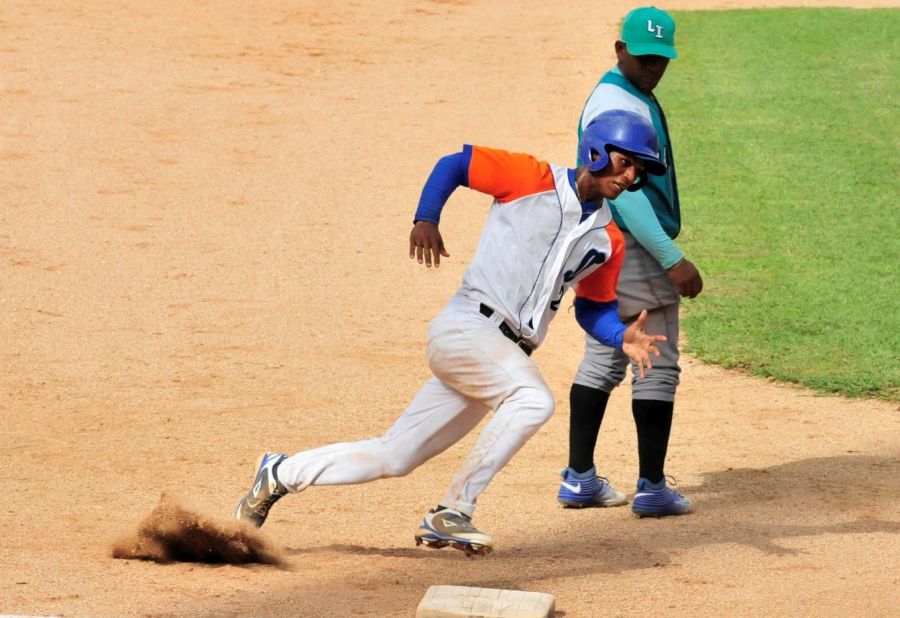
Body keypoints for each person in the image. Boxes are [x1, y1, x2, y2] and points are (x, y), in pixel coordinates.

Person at [234, 109, 668, 556]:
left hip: (499, 358)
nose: (631, 174)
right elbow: (455, 165)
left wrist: (619, 336)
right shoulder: (530, 177)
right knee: (533, 400)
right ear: (597, 149)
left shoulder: (607, 239)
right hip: (468, 327)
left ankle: (281, 472)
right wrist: (426, 217)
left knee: (395, 455)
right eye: (626, 161)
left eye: (639, 170)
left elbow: (593, 308)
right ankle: (454, 511)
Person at [556, 7, 703, 517]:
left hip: (607, 242)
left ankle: (579, 479)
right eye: (644, 58)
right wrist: (672, 257)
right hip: (634, 245)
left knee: (604, 358)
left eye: (662, 59)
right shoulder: (620, 103)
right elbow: (627, 194)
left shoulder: (620, 92)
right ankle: (653, 488)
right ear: (620, 50)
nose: (654, 67)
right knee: (657, 365)